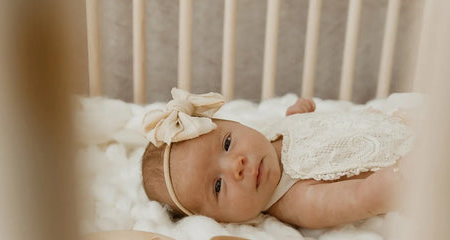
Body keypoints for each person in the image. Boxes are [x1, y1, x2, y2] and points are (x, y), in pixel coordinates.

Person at [141, 88, 413, 228]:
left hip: (392, 118)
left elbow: (300, 137)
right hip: (410, 152)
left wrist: (297, 118)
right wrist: (402, 176)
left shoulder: (267, 138)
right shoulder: (298, 201)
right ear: (220, 221)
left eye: (226, 143)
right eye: (217, 186)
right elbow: (361, 197)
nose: (236, 165)